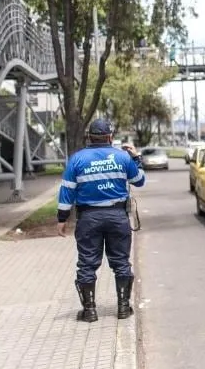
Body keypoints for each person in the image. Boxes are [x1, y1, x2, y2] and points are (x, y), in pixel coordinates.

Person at [57, 119, 146, 322]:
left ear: (89, 137)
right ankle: (123, 308)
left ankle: (89, 311)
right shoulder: (123, 157)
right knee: (121, 262)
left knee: (87, 264)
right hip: (117, 217)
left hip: (88, 218)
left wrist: (62, 218)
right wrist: (136, 157)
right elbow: (139, 181)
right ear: (110, 136)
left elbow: (67, 191)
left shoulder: (77, 159)